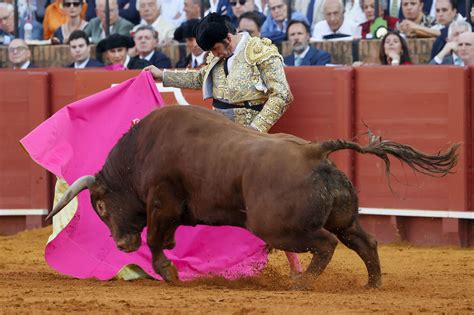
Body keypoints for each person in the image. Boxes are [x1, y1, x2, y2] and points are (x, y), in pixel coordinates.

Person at [144, 12, 303, 275]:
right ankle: (221, 262)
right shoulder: (216, 53)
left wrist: (255, 131)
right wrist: (164, 75)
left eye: (216, 49)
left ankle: (294, 265)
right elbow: (200, 79)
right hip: (219, 137)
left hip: (251, 138)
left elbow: (282, 95)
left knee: (264, 201)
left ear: (228, 39)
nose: (214, 55)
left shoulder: (259, 50)